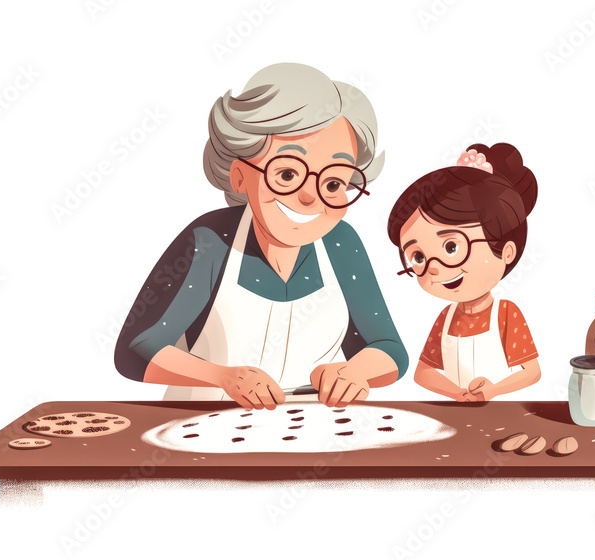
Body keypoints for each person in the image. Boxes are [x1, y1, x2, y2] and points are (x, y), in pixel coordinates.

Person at [114, 63, 407, 410]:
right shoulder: (210, 240)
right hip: (204, 423)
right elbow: (136, 350)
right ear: (240, 176)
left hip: (314, 427)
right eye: (287, 174)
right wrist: (223, 377)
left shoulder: (340, 243)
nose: (310, 197)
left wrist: (356, 370)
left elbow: (389, 349)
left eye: (332, 183)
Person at [386, 143, 541, 402]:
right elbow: (423, 373)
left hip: (501, 413)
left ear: (507, 251)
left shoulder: (506, 314)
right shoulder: (446, 318)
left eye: (451, 247)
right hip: (457, 413)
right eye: (418, 257)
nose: (434, 267)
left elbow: (532, 372)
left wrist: (493, 390)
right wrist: (457, 393)